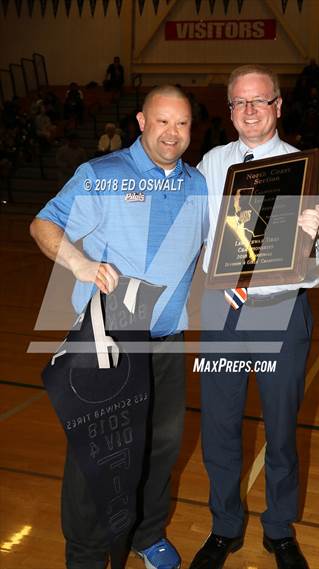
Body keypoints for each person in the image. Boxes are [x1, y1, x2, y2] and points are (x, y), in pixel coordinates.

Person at [30, 85, 208, 569]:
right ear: (141, 121)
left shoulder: (197, 184)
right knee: (97, 460)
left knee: (160, 448)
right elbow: (44, 225)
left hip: (168, 343)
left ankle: (147, 535)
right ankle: (86, 557)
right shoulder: (101, 175)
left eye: (183, 123)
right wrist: (79, 264)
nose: (172, 133)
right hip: (110, 341)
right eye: (163, 121)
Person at [190, 65, 319, 569]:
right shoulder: (211, 164)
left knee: (281, 429)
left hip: (281, 314)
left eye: (259, 101)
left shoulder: (302, 168)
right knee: (221, 427)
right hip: (223, 316)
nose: (249, 111)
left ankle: (279, 529)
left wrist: (318, 234)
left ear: (277, 106)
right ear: (229, 111)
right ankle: (224, 526)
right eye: (239, 103)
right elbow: (194, 231)